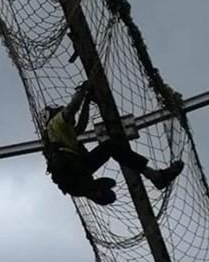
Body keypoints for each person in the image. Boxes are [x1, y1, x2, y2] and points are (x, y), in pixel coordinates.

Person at [41, 80, 184, 205]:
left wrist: (87, 101)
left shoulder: (56, 136)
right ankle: (152, 175)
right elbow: (72, 108)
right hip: (74, 172)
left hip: (73, 176)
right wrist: (82, 91)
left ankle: (91, 190)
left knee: (109, 153)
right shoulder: (56, 123)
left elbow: (81, 126)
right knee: (111, 146)